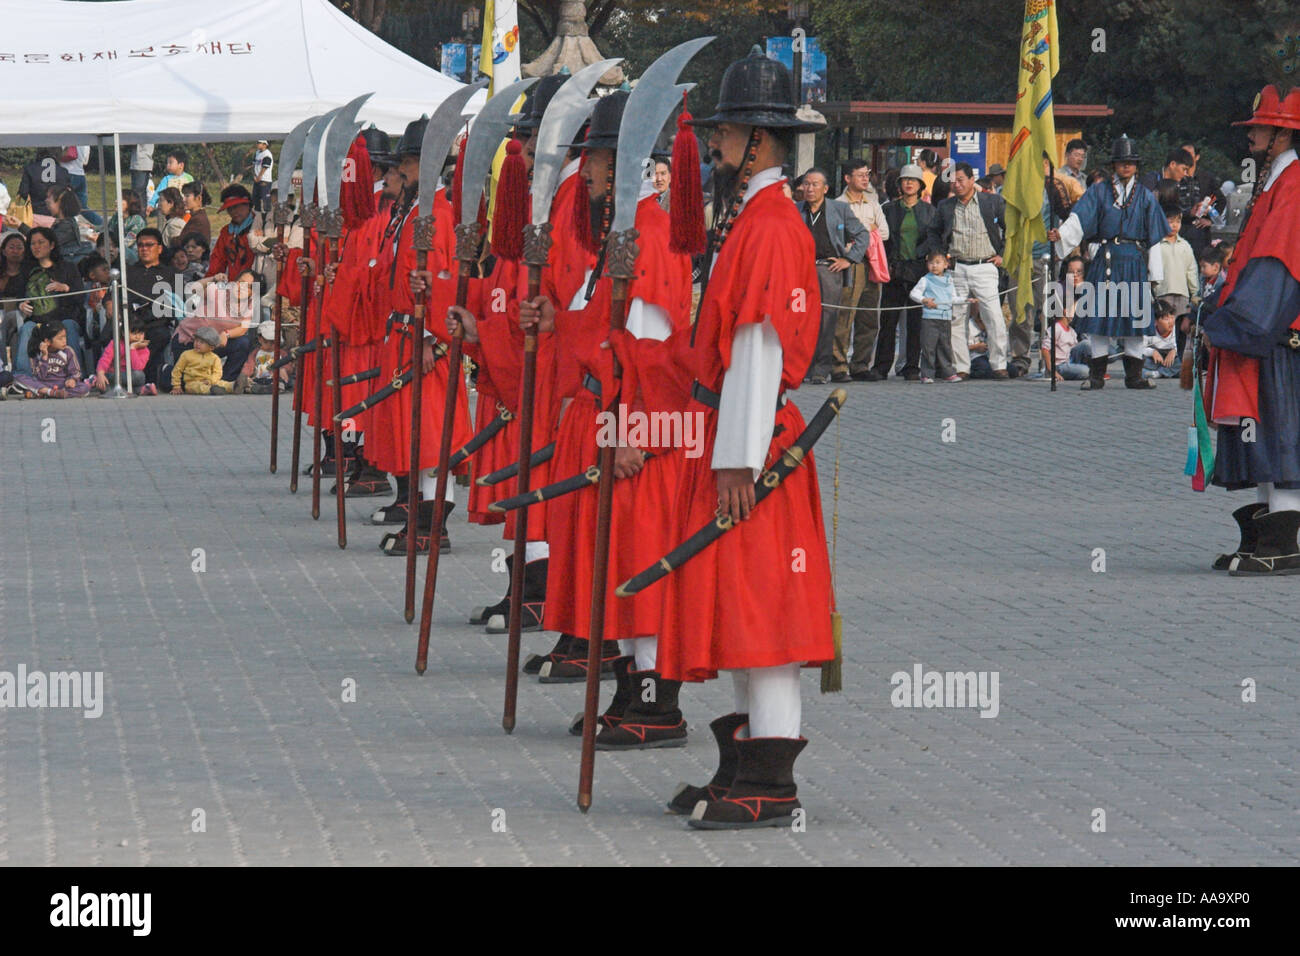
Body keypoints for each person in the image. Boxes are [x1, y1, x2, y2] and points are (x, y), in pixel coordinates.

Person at [656, 51, 835, 829]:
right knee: (744, 608)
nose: (718, 148)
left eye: (726, 135)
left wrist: (739, 460)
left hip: (755, 444)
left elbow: (758, 349)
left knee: (763, 614)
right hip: (750, 438)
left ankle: (770, 781)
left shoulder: (768, 225)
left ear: (757, 143)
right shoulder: (759, 217)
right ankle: (742, 768)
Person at [1201, 84, 1300, 576]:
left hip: (1276, 333)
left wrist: (1234, 322)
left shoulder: (1293, 185)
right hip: (1266, 332)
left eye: (1259, 127)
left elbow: (1278, 264)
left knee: (1280, 437)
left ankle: (1286, 541)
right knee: (1262, 435)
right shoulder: (1275, 183)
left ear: (1280, 134)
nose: (1251, 136)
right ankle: (1268, 536)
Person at [1048, 135, 1169, 391]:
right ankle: (1096, 376)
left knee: (1135, 321)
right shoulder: (1099, 192)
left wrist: (1155, 273)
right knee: (1100, 319)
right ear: (1114, 165)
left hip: (1135, 261)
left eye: (1131, 162)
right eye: (1121, 162)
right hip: (1106, 259)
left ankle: (1134, 376)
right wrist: (1062, 234)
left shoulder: (1146, 197)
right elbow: (1079, 218)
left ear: (1136, 165)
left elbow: (1155, 237)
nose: (1126, 166)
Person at [923, 161, 1009, 378]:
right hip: (957, 267)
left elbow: (1011, 229)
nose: (957, 185)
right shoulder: (946, 206)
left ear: (972, 180)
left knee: (994, 316)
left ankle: (999, 364)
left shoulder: (992, 202)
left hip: (985, 265)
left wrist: (1003, 254)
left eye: (961, 180)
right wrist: (940, 256)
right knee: (957, 318)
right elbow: (933, 232)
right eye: (953, 181)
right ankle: (961, 367)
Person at [795, 167, 867, 383]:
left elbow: (863, 235)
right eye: (806, 184)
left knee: (828, 320)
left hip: (829, 269)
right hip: (800, 272)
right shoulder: (796, 209)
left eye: (815, 184)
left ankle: (821, 369)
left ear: (825, 189)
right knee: (800, 318)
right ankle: (800, 368)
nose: (809, 188)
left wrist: (849, 259)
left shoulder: (839, 209)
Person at [876, 163, 935, 380]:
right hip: (894, 270)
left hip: (918, 271)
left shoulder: (929, 211)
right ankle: (881, 366)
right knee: (888, 321)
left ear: (920, 185)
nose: (909, 183)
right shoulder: (888, 209)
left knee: (915, 322)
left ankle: (912, 366)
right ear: (899, 184)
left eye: (913, 180)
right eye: (905, 180)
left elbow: (933, 239)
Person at [835, 158, 889, 382]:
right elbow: (841, 237)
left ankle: (860, 364)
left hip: (872, 262)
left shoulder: (873, 202)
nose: (866, 178)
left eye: (867, 174)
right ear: (848, 178)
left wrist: (859, 235)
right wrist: (868, 232)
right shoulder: (838, 204)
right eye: (860, 175)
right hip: (850, 263)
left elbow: (884, 232)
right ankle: (838, 366)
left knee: (869, 316)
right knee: (845, 315)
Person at [13, 227, 86, 373]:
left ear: (52, 245)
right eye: (33, 244)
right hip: (38, 321)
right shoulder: (26, 270)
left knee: (68, 326)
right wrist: (21, 305)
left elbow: (80, 297)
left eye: (41, 242)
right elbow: (19, 297)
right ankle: (23, 376)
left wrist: (65, 288)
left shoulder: (68, 267)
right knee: (27, 328)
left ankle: (75, 373)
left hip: (64, 318)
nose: (36, 247)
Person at [171, 269, 259, 383]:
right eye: (240, 282)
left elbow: (243, 329)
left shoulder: (249, 304)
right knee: (184, 382)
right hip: (189, 342)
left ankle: (225, 382)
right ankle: (165, 370)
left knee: (243, 342)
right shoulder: (218, 292)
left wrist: (226, 334)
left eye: (248, 286)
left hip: (213, 344)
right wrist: (213, 279)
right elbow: (192, 289)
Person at [124, 227, 181, 383]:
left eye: (149, 245)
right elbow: (111, 294)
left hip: (156, 320)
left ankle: (145, 377)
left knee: (160, 335)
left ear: (160, 248)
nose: (144, 249)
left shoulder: (171, 273)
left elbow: (178, 302)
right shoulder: (128, 271)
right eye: (141, 245)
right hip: (129, 320)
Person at [909, 251, 962, 382]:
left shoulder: (949, 280)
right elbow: (914, 293)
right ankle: (927, 374)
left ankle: (948, 372)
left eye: (938, 263)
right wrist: (924, 300)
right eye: (931, 263)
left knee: (945, 346)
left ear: (945, 264)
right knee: (928, 347)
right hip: (930, 318)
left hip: (945, 318)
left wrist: (967, 300)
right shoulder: (925, 279)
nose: (934, 266)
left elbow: (953, 298)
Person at [1042, 256, 1092, 380]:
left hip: (1075, 348)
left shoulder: (1090, 289)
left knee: (1088, 344)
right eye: (1071, 272)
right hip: (1060, 363)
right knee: (1086, 371)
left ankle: (1093, 368)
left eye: (1079, 272)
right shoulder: (1060, 290)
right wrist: (1051, 370)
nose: (1075, 275)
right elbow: (1045, 348)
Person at [13, 320, 90, 398]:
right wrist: (44, 357)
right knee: (18, 377)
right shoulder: (37, 352)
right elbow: (39, 376)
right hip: (43, 384)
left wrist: (72, 379)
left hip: (62, 384)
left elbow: (76, 371)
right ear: (48, 341)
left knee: (84, 388)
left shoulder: (68, 351)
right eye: (60, 339)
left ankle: (43, 394)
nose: (64, 341)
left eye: (65, 337)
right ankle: (50, 393)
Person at [1153, 206, 1198, 335]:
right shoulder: (1157, 245)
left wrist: (1194, 293)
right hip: (1162, 292)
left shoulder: (1185, 245)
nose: (1174, 226)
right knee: (1164, 330)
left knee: (1180, 330)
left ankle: (1178, 354)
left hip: (1182, 294)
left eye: (1178, 222)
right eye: (1170, 222)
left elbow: (1191, 269)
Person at [206, 185, 258, 279]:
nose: (233, 211)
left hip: (257, 285)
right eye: (229, 208)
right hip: (234, 285)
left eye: (237, 206)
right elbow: (217, 261)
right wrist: (207, 282)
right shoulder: (226, 232)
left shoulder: (260, 227)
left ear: (248, 204)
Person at [170, 325, 230, 394]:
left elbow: (218, 373)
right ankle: (211, 390)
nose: (197, 344)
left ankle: (233, 386)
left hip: (209, 381)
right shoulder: (186, 354)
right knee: (198, 387)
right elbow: (177, 370)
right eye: (196, 340)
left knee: (222, 383)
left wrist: (211, 380)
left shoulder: (215, 358)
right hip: (192, 383)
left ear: (211, 348)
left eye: (202, 342)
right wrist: (176, 386)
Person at [93, 324, 150, 393]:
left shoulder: (145, 350)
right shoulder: (116, 343)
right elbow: (105, 359)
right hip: (113, 374)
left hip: (131, 377)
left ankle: (137, 390)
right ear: (124, 333)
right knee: (104, 384)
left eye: (141, 334)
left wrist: (132, 348)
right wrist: (100, 373)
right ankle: (142, 390)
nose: (137, 337)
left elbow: (137, 368)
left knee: (140, 375)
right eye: (134, 333)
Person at [235, 320, 287, 393]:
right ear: (260, 339)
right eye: (266, 342)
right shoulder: (255, 353)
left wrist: (283, 369)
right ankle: (255, 389)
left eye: (273, 342)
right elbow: (249, 365)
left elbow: (287, 365)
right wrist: (245, 374)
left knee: (281, 383)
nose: (269, 345)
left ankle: (273, 388)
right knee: (248, 382)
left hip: (274, 379)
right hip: (258, 378)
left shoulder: (281, 353)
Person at [17, 150, 72, 215]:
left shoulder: (30, 169)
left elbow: (23, 191)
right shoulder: (63, 171)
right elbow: (69, 193)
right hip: (57, 211)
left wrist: (33, 202)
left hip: (35, 211)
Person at [101, 188, 147, 266]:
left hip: (132, 255)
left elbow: (127, 243)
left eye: (120, 199)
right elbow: (106, 229)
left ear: (130, 203)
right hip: (116, 249)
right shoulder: (116, 216)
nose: (116, 201)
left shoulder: (137, 221)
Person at [1142, 299, 1180, 378]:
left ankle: (1158, 373)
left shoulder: (1178, 329)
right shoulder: (1148, 330)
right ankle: (1168, 372)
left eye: (1172, 317)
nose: (1171, 322)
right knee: (1140, 359)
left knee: (1184, 360)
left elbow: (1186, 346)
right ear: (1155, 321)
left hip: (1172, 359)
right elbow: (1140, 347)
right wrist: (1152, 352)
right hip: (1155, 360)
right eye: (1166, 319)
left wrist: (1174, 351)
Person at [148, 149, 193, 217]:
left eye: (170, 163)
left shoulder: (189, 178)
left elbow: (193, 193)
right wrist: (151, 204)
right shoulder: (166, 179)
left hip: (185, 210)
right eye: (167, 163)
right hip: (168, 211)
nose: (167, 165)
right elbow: (158, 193)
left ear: (181, 165)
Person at [179, 182, 212, 247]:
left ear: (198, 198)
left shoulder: (198, 220)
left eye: (187, 196)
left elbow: (182, 241)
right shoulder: (196, 216)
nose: (183, 199)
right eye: (183, 196)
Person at [251, 139, 274, 213]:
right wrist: (254, 175)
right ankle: (257, 214)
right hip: (257, 178)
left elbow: (265, 167)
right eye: (257, 143)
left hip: (265, 179)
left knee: (265, 198)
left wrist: (259, 177)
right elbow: (254, 165)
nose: (258, 144)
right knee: (255, 197)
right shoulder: (257, 153)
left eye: (260, 143)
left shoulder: (267, 154)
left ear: (265, 145)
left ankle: (267, 215)